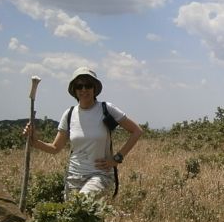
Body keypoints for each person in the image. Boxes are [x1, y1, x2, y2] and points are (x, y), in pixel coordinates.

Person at [23, 67, 143, 200]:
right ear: (74, 90)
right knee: (78, 218)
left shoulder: (106, 109)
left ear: (94, 88)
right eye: (79, 86)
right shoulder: (69, 114)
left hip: (100, 175)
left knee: (82, 202)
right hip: (73, 176)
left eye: (88, 85)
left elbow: (136, 131)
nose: (84, 89)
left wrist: (117, 158)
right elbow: (55, 148)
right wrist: (34, 140)